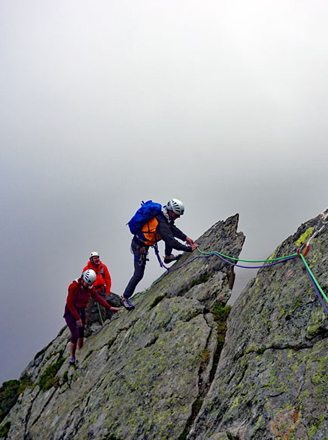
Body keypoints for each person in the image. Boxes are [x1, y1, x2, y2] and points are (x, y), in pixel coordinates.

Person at [122, 198, 199, 310]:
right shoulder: (162, 222)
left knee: (169, 235)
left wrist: (185, 238)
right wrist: (189, 249)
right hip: (139, 247)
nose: (178, 217)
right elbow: (171, 241)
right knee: (138, 274)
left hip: (143, 244)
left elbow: (172, 229)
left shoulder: (164, 216)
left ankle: (168, 256)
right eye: (177, 214)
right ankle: (125, 298)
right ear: (171, 212)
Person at [64, 269, 120, 365]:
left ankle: (80, 351)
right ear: (82, 279)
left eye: (90, 285)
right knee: (75, 335)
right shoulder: (73, 287)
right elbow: (70, 305)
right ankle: (72, 357)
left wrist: (109, 307)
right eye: (87, 284)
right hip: (70, 312)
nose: (88, 287)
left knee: (81, 333)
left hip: (81, 310)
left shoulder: (90, 288)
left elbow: (98, 298)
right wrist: (77, 319)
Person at [83, 251, 112, 325]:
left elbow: (108, 279)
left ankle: (102, 323)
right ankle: (87, 324)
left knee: (102, 308)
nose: (97, 259)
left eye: (98, 257)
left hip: (100, 290)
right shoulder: (87, 269)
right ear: (91, 259)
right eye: (95, 258)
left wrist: (107, 291)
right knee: (88, 308)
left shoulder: (103, 267)